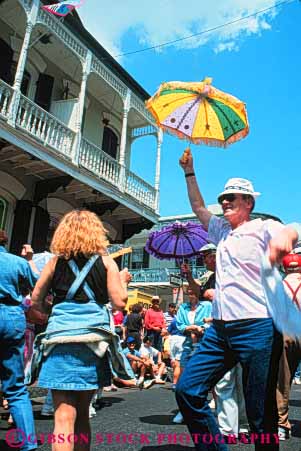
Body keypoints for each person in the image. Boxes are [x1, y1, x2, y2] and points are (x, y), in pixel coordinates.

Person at [176, 148, 299, 451]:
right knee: (188, 391)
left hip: (257, 326)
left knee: (260, 413)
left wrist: (287, 238)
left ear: (249, 203)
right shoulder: (221, 232)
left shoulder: (262, 227)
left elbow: (294, 229)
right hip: (219, 330)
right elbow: (198, 207)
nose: (225, 202)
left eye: (232, 197)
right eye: (223, 198)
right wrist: (188, 171)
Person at [30, 210, 134, 451]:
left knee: (63, 417)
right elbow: (119, 302)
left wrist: (50, 312)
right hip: (93, 342)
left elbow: (35, 300)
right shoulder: (106, 261)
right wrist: (123, 281)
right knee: (83, 416)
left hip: (60, 340)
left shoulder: (56, 262)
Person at [0, 232, 39, 451]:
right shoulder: (16, 262)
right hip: (12, 316)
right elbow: (39, 284)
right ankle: (28, 443)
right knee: (15, 387)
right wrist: (29, 259)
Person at [173, 287, 212, 424]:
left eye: (193, 291)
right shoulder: (183, 307)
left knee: (207, 379)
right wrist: (194, 328)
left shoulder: (207, 305)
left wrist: (201, 328)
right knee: (183, 378)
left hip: (205, 342)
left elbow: (211, 323)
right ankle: (183, 410)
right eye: (188, 292)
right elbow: (180, 325)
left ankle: (213, 411)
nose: (190, 294)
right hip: (188, 343)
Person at [277, 252, 301, 440]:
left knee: (283, 381)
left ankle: (282, 425)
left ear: (284, 268)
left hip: (285, 333)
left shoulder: (277, 286)